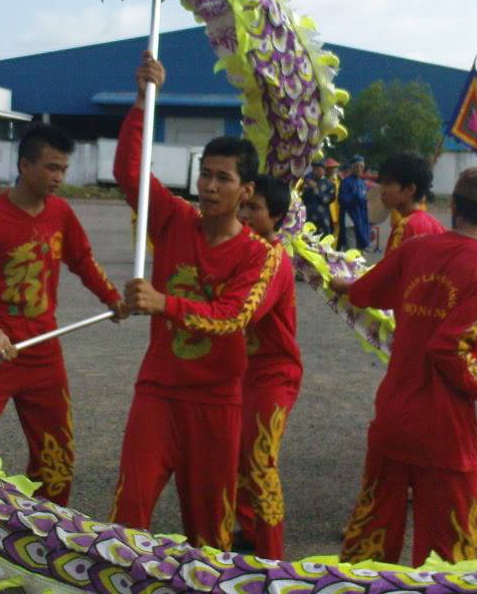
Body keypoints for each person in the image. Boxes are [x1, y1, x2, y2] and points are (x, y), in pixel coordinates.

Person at [110, 52, 278, 550]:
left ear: (245, 190)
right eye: (205, 174)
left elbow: (231, 319)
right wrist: (143, 102)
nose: (208, 186)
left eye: (222, 178)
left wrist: (164, 303)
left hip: (215, 403)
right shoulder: (172, 218)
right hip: (157, 393)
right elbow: (129, 171)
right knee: (128, 514)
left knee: (209, 531)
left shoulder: (259, 257)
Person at [331, 167, 477, 566]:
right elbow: (450, 349)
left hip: (393, 414)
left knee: (371, 538)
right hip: (445, 430)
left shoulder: (417, 248)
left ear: (453, 205)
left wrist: (331, 279)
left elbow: (365, 292)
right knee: (446, 552)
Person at [0, 123, 128, 505]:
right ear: (24, 165)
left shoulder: (61, 213)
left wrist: (112, 298)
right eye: (51, 168)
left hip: (43, 351)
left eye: (64, 169)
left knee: (57, 457)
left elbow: (82, 260)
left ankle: (45, 538)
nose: (59, 178)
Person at [234, 174, 301, 559]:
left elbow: (245, 312)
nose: (243, 215)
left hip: (275, 373)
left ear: (276, 216)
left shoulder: (272, 257)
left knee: (260, 460)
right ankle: (250, 532)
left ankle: (273, 556)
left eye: (254, 208)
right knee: (240, 456)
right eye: (242, 206)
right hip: (248, 370)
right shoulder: (247, 249)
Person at [377, 152, 443, 255]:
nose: (382, 191)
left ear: (409, 189)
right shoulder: (436, 225)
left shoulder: (405, 227)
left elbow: (392, 270)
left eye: (387, 184)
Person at [338, 155, 370, 251]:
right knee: (351, 249)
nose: (360, 169)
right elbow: (342, 200)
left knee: (361, 247)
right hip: (350, 220)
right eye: (357, 166)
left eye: (362, 166)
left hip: (361, 219)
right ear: (352, 167)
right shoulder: (346, 182)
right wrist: (355, 197)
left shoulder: (362, 183)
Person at [300, 160, 336, 234]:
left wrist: (316, 189)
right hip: (308, 217)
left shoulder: (329, 184)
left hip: (322, 219)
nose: (315, 171)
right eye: (314, 169)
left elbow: (327, 200)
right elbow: (303, 199)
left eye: (317, 169)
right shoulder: (309, 182)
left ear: (323, 170)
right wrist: (305, 189)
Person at [324, 158, 341, 236]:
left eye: (334, 168)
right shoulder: (322, 181)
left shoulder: (339, 181)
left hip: (336, 210)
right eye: (330, 168)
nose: (332, 170)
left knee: (335, 233)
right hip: (325, 211)